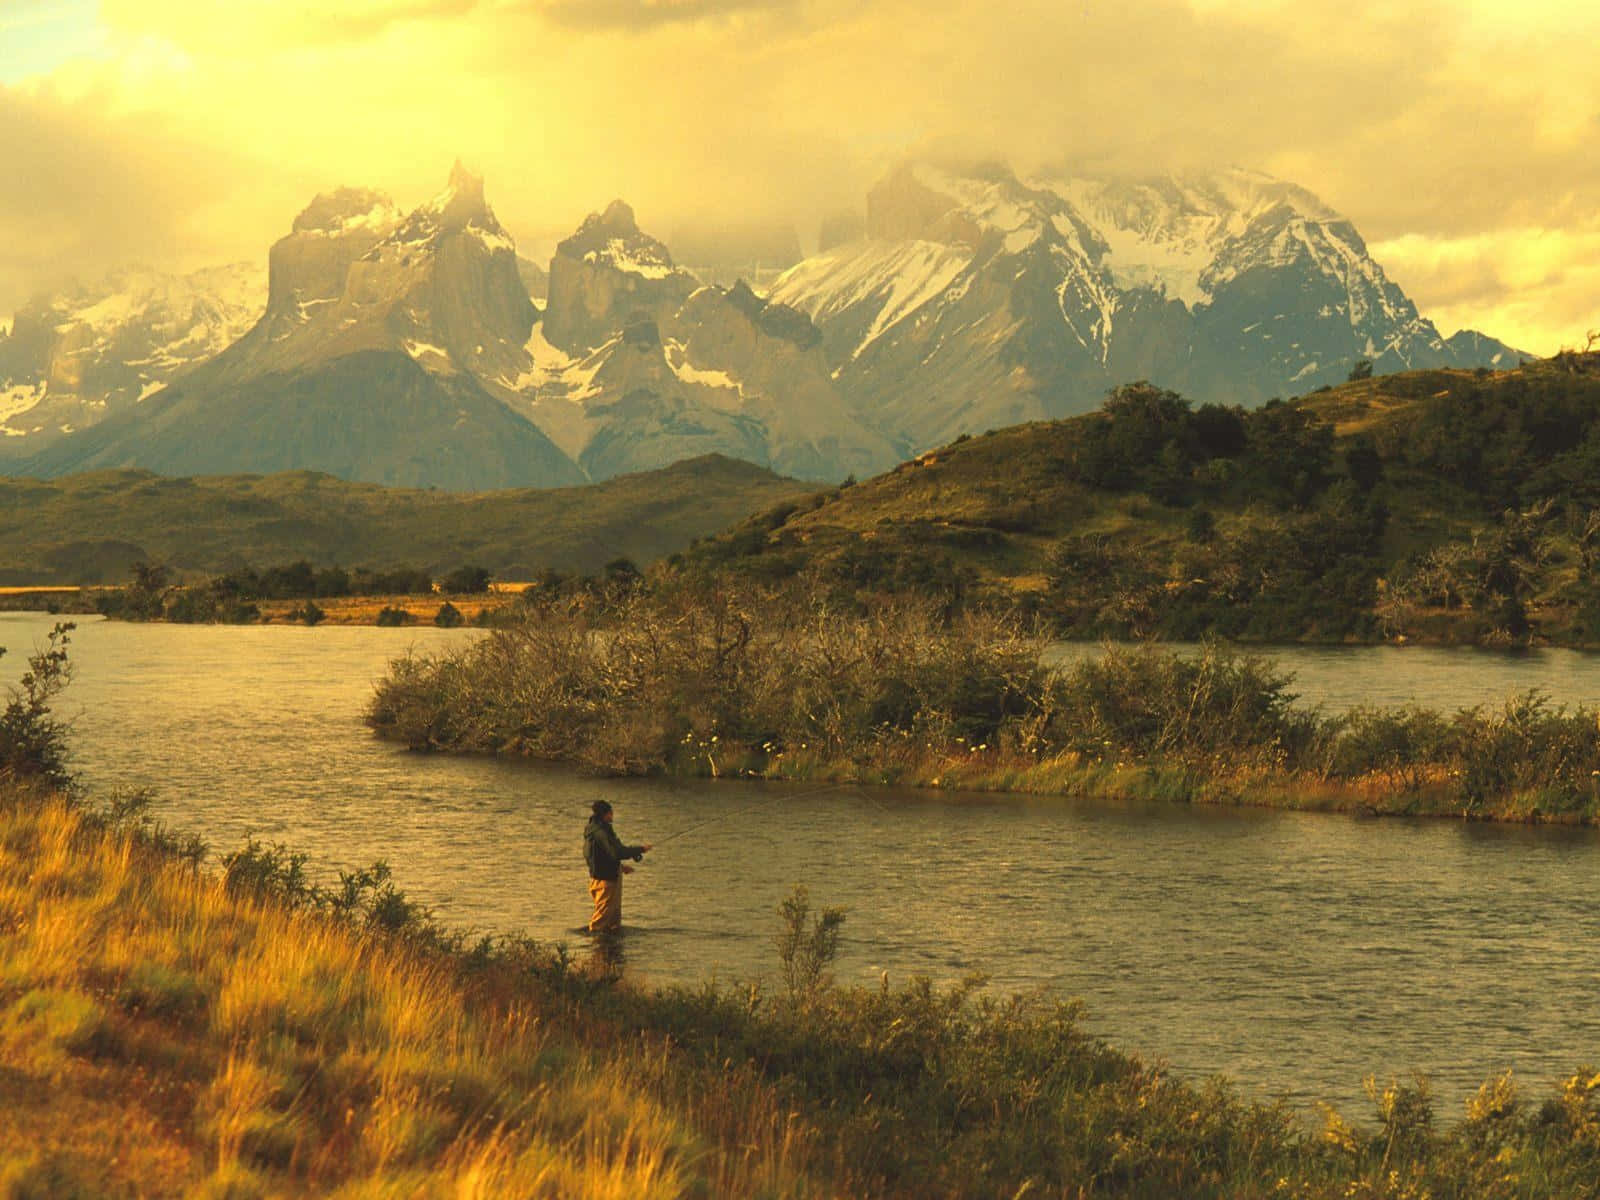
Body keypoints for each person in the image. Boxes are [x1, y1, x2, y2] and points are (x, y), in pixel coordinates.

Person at [583, 800, 651, 932]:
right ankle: (596, 948)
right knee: (600, 922)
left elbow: (602, 855)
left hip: (605, 877)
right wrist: (640, 849)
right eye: (610, 813)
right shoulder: (600, 832)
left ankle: (612, 950)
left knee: (613, 922)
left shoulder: (596, 829)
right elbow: (617, 852)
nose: (612, 815)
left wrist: (620, 867)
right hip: (605, 881)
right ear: (605, 814)